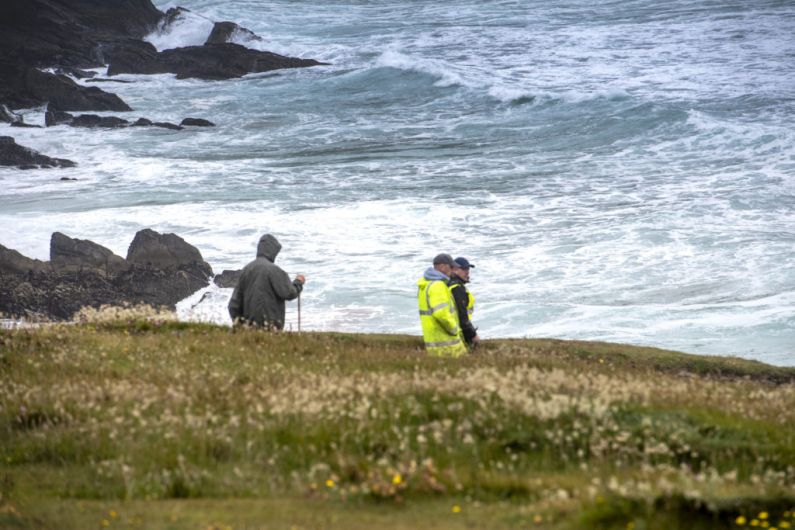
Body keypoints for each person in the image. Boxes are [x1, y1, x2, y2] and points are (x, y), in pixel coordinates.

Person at [228, 233, 305, 330]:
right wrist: (298, 282)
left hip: (249, 329)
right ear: (273, 251)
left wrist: (240, 325)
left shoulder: (246, 270)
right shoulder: (275, 271)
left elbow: (233, 305)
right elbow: (290, 293)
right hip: (271, 328)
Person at [417, 253, 467, 357]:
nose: (453, 270)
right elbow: (441, 314)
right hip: (448, 345)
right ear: (441, 266)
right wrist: (454, 329)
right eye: (451, 267)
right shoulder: (438, 285)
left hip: (434, 343)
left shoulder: (426, 285)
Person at [449, 256, 479, 349]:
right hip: (460, 332)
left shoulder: (450, 284)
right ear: (454, 269)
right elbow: (462, 315)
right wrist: (472, 334)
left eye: (468, 269)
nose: (467, 272)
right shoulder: (457, 288)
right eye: (464, 269)